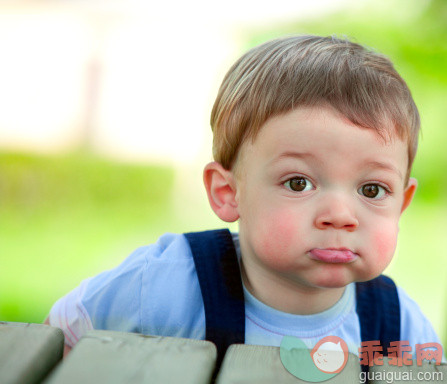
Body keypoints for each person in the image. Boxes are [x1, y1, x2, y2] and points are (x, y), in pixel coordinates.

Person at [45, 35, 443, 363]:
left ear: (402, 203)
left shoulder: (395, 329)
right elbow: (55, 337)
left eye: (372, 190)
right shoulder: (169, 284)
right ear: (228, 192)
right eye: (298, 183)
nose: (340, 216)